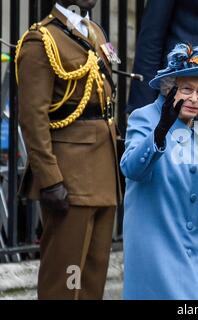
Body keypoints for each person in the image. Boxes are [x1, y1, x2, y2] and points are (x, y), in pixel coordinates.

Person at [16, 0, 120, 299]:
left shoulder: (95, 33)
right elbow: (33, 119)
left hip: (103, 171)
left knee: (92, 277)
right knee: (64, 280)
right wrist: (50, 179)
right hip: (69, 176)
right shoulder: (42, 40)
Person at [120, 43, 198, 299]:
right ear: (170, 90)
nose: (194, 98)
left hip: (196, 249)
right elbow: (131, 169)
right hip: (157, 246)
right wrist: (160, 131)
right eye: (187, 89)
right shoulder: (144, 117)